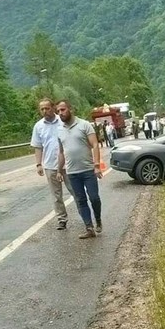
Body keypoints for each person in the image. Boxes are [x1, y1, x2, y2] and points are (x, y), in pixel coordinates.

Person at [55, 100, 103, 239]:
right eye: (58, 111)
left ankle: (98, 220)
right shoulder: (59, 130)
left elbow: (94, 144)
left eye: (63, 110)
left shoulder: (84, 125)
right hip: (72, 172)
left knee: (94, 198)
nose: (60, 113)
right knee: (80, 200)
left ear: (70, 109)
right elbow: (61, 152)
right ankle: (89, 227)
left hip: (88, 170)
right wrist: (59, 170)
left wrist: (97, 166)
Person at [30, 98, 74, 230]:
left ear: (53, 108)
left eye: (47, 108)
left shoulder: (62, 120)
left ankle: (85, 217)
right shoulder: (38, 126)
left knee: (75, 191)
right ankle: (62, 219)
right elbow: (38, 146)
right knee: (56, 195)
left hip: (68, 164)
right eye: (42, 109)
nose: (45, 111)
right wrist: (38, 164)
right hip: (50, 165)